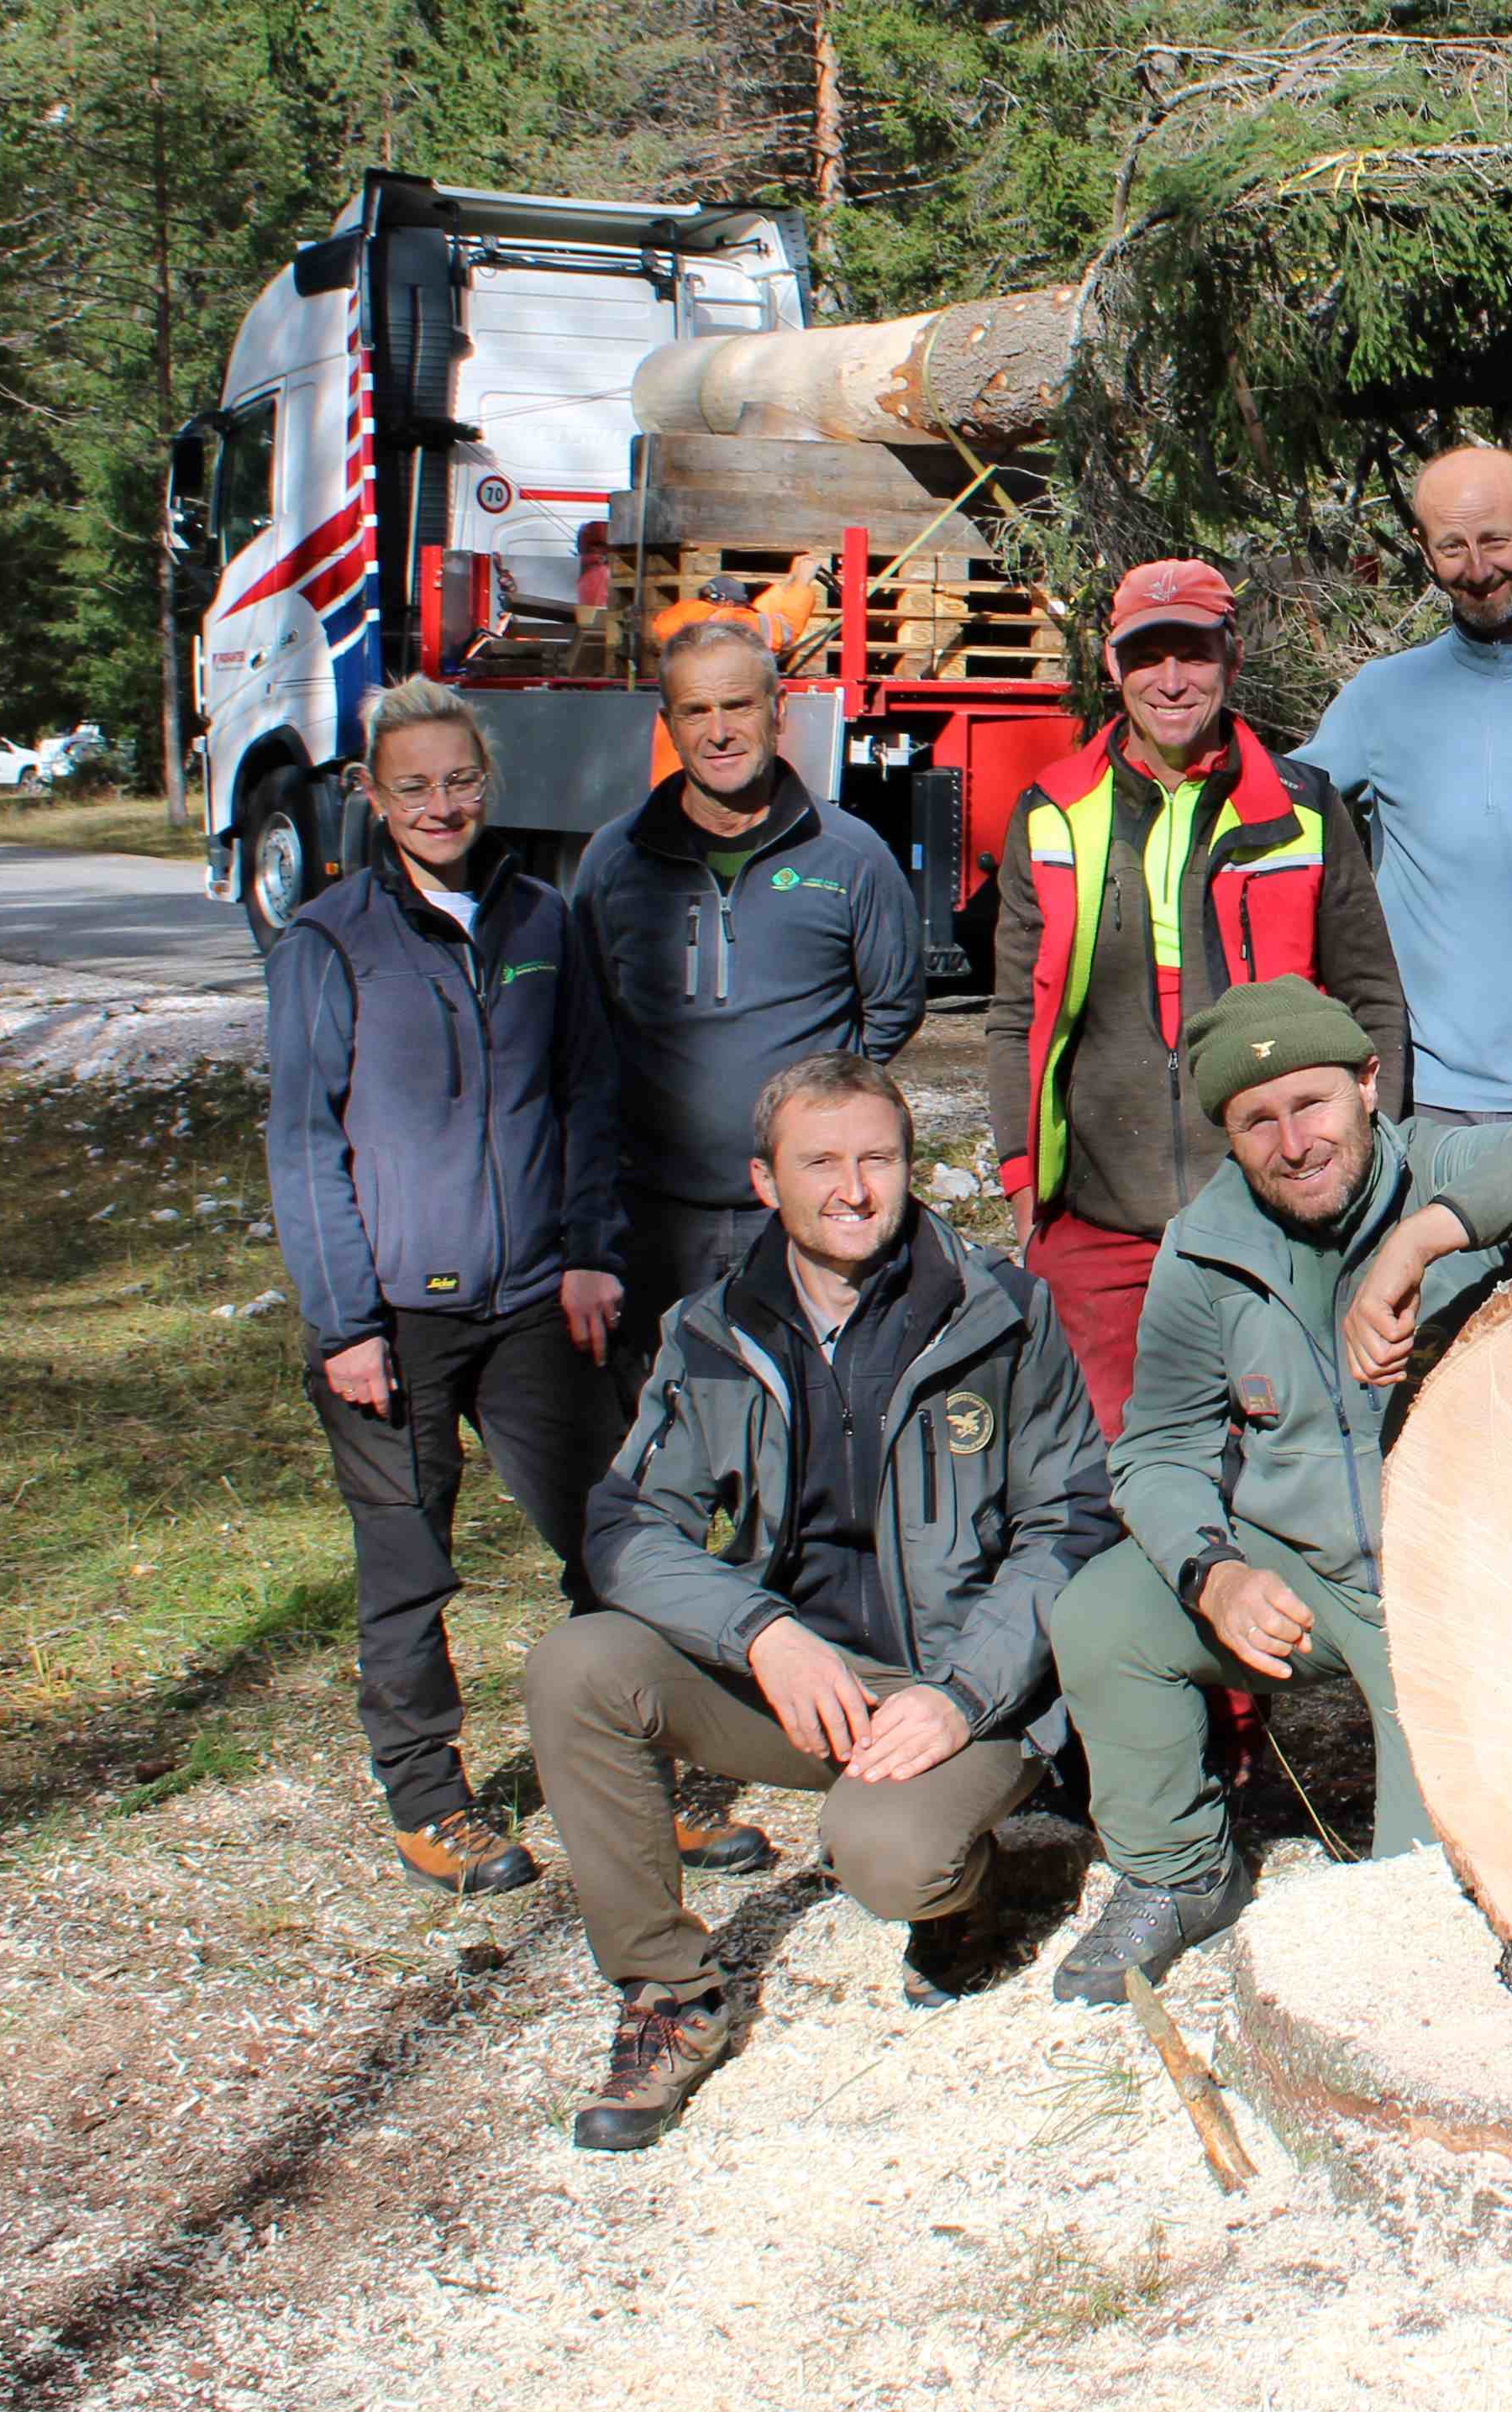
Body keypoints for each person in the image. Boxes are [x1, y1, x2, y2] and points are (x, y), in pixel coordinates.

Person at [530, 1054, 1117, 2150]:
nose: (853, 1190)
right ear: (766, 1181)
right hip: (800, 1683)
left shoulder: (1003, 1316)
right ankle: (670, 1993)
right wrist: (760, 1634)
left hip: (966, 1690)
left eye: (878, 1160)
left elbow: (1074, 1525)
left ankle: (970, 1895)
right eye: (821, 1163)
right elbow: (621, 1528)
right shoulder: (709, 1333)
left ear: (909, 1169)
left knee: (885, 1857)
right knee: (578, 1667)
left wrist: (960, 1693)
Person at [1042, 982, 1512, 1999]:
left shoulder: (1441, 1166)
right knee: (1102, 1615)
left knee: (1413, 1922)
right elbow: (1158, 1450)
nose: (1293, 1141)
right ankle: (1177, 1874)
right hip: (1303, 1571)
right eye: (1256, 1121)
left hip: (1455, 1593)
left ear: (1367, 1085)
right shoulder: (1204, 1246)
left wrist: (1421, 1240)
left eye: (1312, 1104)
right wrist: (1212, 1572)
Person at [262, 678, 633, 1896]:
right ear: (371, 795)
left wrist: (590, 1252)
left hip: (534, 1299)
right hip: (396, 1319)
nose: (439, 805)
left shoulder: (541, 919)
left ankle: (635, 1772)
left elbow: (588, 1093)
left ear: (489, 782)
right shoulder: (329, 941)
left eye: (459, 781)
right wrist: (343, 1323)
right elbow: (307, 1141)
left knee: (612, 1536)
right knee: (408, 1562)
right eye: (412, 785)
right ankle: (427, 1797)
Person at [987, 556, 1408, 1427]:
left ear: (1233, 656)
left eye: (1194, 653)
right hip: (1101, 1227)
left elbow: (1371, 997)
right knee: (1110, 1480)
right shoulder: (1053, 811)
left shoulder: (1304, 806)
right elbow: (1014, 1018)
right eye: (1148, 655)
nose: (1171, 681)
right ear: (1112, 666)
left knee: (1289, 1471)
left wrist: (1376, 1161)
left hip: (1278, 1213)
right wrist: (1026, 1190)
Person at [570, 614, 932, 1362]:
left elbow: (892, 1006)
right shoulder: (617, 860)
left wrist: (812, 1114)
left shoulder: (851, 856)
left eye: (738, 705)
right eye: (696, 711)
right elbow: (589, 1030)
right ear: (668, 724)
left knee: (807, 1428)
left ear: (777, 712)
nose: (720, 730)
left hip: (802, 1220)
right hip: (654, 1221)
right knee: (663, 1435)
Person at [1297, 444, 1512, 1127]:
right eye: (1451, 547)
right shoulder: (1381, 697)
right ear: (1420, 545)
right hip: (1427, 1097)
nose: (1477, 570)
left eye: (1496, 539)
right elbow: (1271, 815)